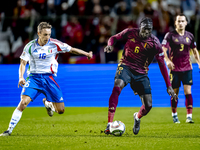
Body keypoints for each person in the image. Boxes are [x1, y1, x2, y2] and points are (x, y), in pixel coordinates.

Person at [0, 22, 93, 136]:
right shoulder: (30, 46)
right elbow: (23, 63)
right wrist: (21, 77)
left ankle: (48, 103)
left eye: (49, 34)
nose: (47, 37)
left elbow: (71, 49)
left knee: (60, 111)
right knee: (23, 103)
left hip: (49, 78)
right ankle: (9, 130)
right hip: (34, 78)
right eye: (45, 35)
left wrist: (86, 54)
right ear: (39, 33)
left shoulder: (54, 44)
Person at [104, 17, 177, 135]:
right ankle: (109, 124)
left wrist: (168, 85)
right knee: (117, 86)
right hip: (126, 66)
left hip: (141, 73)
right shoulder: (130, 32)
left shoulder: (155, 43)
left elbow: (162, 65)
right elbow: (114, 37)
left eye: (149, 29)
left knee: (148, 105)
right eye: (145, 29)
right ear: (140, 27)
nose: (147, 32)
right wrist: (110, 45)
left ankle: (137, 117)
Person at [162, 13, 200, 124]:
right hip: (174, 69)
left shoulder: (190, 36)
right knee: (175, 93)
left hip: (187, 68)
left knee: (188, 91)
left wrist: (199, 63)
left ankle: (189, 117)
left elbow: (195, 51)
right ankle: (174, 115)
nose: (180, 23)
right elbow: (162, 49)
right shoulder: (170, 35)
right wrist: (167, 61)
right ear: (175, 23)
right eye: (178, 21)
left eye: (182, 21)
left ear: (186, 23)